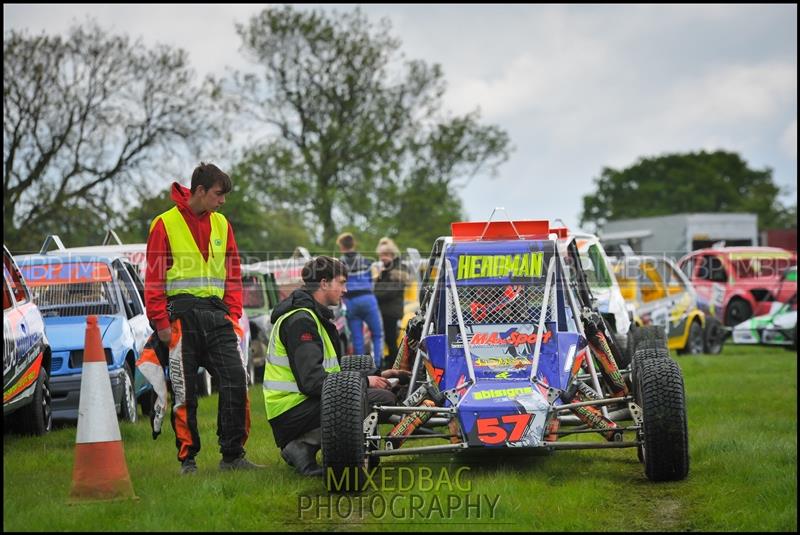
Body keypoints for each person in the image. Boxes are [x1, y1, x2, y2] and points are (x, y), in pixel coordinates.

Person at [144, 162, 262, 475]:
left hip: (219, 317)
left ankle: (232, 455)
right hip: (180, 319)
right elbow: (153, 280)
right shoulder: (164, 224)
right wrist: (161, 324)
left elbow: (233, 274)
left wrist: (234, 315)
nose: (222, 201)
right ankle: (188, 460)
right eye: (218, 194)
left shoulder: (223, 224)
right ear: (199, 191)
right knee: (185, 392)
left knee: (236, 380)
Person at [264, 256, 406, 476]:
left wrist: (377, 374)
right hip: (292, 412)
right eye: (341, 282)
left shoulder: (310, 315)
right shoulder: (301, 320)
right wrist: (365, 382)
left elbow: (331, 371)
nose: (345, 290)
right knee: (381, 399)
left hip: (299, 407)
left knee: (377, 392)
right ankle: (302, 446)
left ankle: (308, 445)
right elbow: (313, 382)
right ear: (324, 283)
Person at [336, 232, 384, 368]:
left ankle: (361, 369)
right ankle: (378, 365)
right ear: (354, 244)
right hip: (368, 299)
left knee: (357, 338)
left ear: (341, 247)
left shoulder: (339, 264)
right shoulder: (367, 261)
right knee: (377, 334)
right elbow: (372, 281)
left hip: (350, 302)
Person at [373, 237, 412, 369]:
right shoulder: (389, 269)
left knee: (391, 340)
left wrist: (373, 295)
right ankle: (392, 366)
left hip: (391, 311)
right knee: (389, 340)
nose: (382, 258)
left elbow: (391, 291)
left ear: (391, 254)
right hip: (388, 310)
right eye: (380, 255)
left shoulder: (397, 269)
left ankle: (394, 368)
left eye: (384, 255)